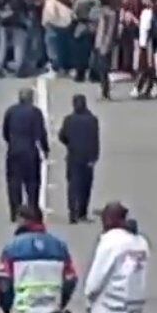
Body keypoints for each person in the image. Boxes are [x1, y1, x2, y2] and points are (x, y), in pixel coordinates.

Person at [2, 88, 49, 221]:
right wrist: (45, 149)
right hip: (30, 150)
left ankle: (15, 210)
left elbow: (5, 131)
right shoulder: (35, 112)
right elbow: (41, 133)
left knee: (14, 182)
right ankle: (32, 208)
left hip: (14, 150)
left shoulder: (11, 111)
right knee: (32, 182)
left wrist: (11, 141)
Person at [59, 94, 100, 224]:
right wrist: (94, 156)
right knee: (85, 186)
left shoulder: (68, 120)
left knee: (73, 185)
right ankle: (82, 212)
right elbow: (95, 140)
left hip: (73, 156)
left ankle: (72, 212)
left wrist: (70, 144)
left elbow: (62, 136)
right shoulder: (92, 120)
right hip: (87, 157)